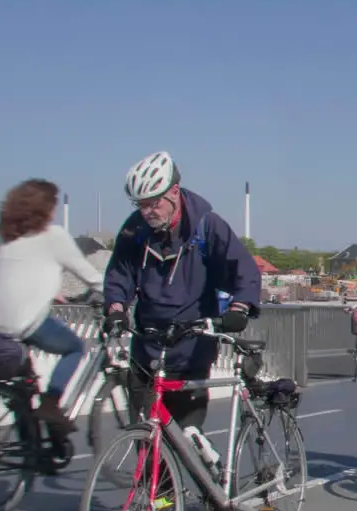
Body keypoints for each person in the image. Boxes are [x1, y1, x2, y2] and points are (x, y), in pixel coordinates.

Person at [103, 150, 262, 432]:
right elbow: (120, 274)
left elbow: (244, 270)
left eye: (153, 204)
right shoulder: (134, 230)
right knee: (147, 439)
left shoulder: (207, 226)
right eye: (140, 205)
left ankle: (205, 468)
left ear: (174, 191)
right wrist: (115, 307)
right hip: (147, 346)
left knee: (186, 439)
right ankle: (149, 478)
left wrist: (239, 308)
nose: (147, 212)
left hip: (192, 347)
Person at [0, 179, 104, 430]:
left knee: (22, 388)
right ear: (46, 208)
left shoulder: (10, 239)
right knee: (75, 347)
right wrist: (118, 297)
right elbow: (92, 277)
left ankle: (30, 452)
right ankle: (52, 402)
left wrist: (49, 293)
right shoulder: (53, 236)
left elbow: (17, 280)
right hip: (22, 324)